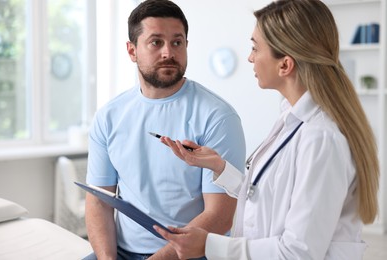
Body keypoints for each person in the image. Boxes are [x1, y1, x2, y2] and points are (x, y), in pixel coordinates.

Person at [154, 0, 380, 259]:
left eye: (255, 47)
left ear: (285, 65)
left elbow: (298, 252)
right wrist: (219, 167)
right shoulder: (292, 118)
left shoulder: (321, 138)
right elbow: (269, 199)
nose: (250, 57)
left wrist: (209, 245)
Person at [84, 0, 246, 259]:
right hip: (123, 252)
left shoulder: (217, 116)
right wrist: (106, 258)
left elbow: (220, 216)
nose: (168, 52)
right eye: (156, 42)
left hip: (192, 254)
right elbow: (99, 200)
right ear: (132, 50)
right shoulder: (108, 117)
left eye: (177, 42)